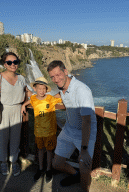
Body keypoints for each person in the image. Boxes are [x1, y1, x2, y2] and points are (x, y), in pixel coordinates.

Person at [47, 60, 97, 192]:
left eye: (58, 75)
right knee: (56, 163)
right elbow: (60, 95)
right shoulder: (62, 87)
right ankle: (75, 174)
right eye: (52, 77)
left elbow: (87, 121)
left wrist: (84, 150)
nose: (56, 79)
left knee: (85, 167)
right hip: (69, 130)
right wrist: (42, 98)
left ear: (65, 72)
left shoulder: (81, 90)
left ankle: (84, 188)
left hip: (85, 132)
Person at [0, 52, 27, 177]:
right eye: (9, 62)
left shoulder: (21, 78)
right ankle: (3, 161)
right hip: (2, 111)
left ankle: (14, 161)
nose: (13, 65)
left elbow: (29, 93)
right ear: (4, 64)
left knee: (16, 139)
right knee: (3, 139)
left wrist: (27, 103)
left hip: (17, 110)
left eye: (15, 62)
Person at [21, 77, 62, 182]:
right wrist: (24, 105)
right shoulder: (34, 99)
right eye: (39, 88)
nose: (42, 91)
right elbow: (29, 100)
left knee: (49, 151)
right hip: (38, 132)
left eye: (44, 89)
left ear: (46, 90)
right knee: (40, 150)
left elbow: (62, 97)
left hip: (50, 132)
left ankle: (48, 170)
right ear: (35, 88)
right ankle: (40, 169)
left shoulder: (50, 99)